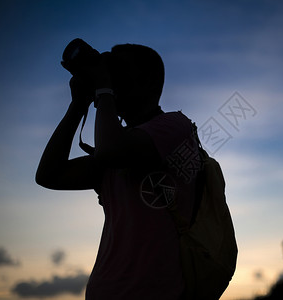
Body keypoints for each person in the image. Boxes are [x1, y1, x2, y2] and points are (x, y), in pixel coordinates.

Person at [36, 42, 200, 299]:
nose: (112, 79)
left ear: (149, 82)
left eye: (119, 70)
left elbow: (112, 151)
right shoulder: (115, 147)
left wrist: (102, 89)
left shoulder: (175, 127)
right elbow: (49, 175)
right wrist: (78, 105)